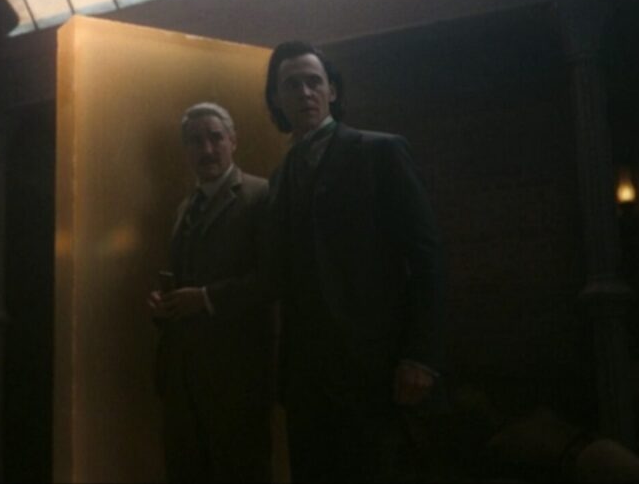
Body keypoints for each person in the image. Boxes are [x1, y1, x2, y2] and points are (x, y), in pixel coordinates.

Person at [262, 41, 445, 481]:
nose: (305, 92)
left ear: (333, 91)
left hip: (374, 368)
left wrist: (420, 355)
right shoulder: (280, 177)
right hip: (306, 380)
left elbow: (426, 257)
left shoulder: (379, 152)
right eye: (292, 85)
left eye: (314, 82)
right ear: (277, 99)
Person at [147, 102, 274, 483]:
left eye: (215, 138)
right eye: (195, 141)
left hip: (237, 377)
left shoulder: (261, 195)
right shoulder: (184, 207)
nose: (206, 149)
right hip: (181, 379)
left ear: (233, 141)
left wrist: (205, 298)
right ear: (185, 150)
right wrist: (165, 305)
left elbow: (273, 279)